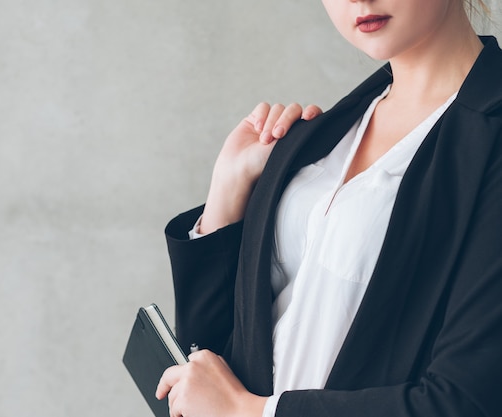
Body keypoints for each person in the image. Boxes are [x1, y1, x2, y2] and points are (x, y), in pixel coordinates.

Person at [156, 0, 502, 416]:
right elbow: (209, 364)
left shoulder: (487, 142)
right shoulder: (329, 132)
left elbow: (466, 400)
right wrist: (228, 192)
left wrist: (250, 412)